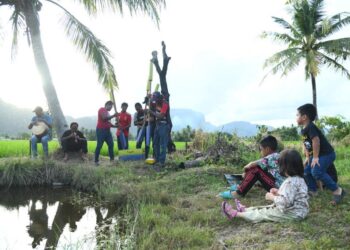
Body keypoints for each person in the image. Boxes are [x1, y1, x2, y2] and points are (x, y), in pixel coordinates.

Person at [221, 149, 309, 223]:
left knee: (264, 214)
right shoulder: (300, 180)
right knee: (269, 208)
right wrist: (278, 192)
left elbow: (285, 203)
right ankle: (246, 210)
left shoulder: (289, 182)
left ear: (284, 167)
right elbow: (292, 195)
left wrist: (272, 197)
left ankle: (236, 214)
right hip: (301, 211)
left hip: (293, 213)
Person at [296, 103, 345, 205]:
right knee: (306, 171)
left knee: (316, 172)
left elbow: (316, 141)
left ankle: (338, 190)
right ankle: (313, 190)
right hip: (317, 155)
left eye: (297, 115)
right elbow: (306, 144)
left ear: (304, 117)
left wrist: (315, 157)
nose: (296, 117)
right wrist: (308, 157)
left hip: (326, 154)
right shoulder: (304, 130)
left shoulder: (311, 127)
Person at [219, 135, 285, 199]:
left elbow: (250, 165)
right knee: (258, 169)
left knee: (255, 169)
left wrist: (245, 172)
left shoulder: (272, 157)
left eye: (261, 149)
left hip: (278, 188)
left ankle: (238, 193)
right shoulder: (277, 156)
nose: (260, 152)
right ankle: (240, 186)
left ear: (267, 149)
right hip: (281, 186)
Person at [151, 41, 176, 154]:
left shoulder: (164, 101)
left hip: (164, 124)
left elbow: (161, 114)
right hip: (159, 125)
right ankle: (157, 59)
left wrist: (163, 49)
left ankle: (164, 156)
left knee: (162, 74)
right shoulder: (158, 101)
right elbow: (152, 102)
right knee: (161, 73)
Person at [148, 91, 170, 169]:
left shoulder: (165, 104)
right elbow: (150, 102)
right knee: (155, 143)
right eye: (154, 100)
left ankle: (161, 162)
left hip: (164, 125)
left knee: (162, 145)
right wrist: (148, 98)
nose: (155, 102)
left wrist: (151, 112)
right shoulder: (156, 101)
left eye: (156, 100)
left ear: (159, 98)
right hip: (157, 125)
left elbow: (161, 116)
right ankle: (156, 159)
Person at [94, 101, 117, 165]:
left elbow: (109, 123)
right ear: (107, 105)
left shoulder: (108, 113)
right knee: (99, 145)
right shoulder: (102, 109)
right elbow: (104, 119)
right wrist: (114, 115)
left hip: (107, 131)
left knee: (111, 144)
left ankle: (112, 160)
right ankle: (96, 161)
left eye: (112, 107)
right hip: (101, 130)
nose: (111, 108)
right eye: (110, 106)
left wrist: (116, 126)